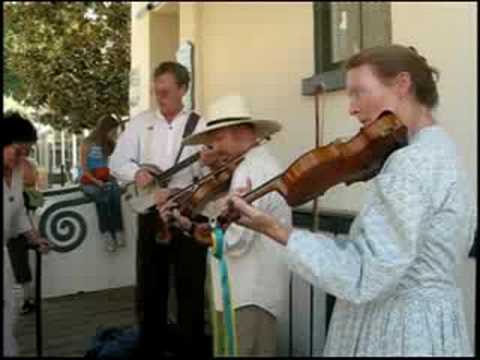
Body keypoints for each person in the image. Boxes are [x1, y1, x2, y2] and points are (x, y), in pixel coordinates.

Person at [224, 45, 477, 356]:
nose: (352, 108)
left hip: (397, 333)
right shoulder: (443, 149)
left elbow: (365, 274)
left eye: (359, 92)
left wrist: (277, 231)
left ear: (402, 84)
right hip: (433, 326)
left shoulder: (412, 163)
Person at [158, 95, 292, 356]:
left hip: (247, 293)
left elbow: (235, 239)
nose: (214, 148)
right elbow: (228, 221)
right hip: (249, 290)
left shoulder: (250, 171)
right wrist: (189, 221)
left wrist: (187, 226)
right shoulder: (255, 164)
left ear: (241, 133)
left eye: (218, 139)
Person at [109, 61, 208, 356]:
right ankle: (151, 346)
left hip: (189, 212)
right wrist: (137, 173)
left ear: (183, 89)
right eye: (156, 92)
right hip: (152, 212)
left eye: (165, 91)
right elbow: (117, 163)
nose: (159, 97)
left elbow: (208, 176)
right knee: (150, 285)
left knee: (190, 286)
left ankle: (190, 348)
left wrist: (195, 179)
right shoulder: (140, 123)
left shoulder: (201, 126)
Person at [3, 111, 50, 356]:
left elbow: (19, 212)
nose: (23, 157)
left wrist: (34, 237)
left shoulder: (18, 172)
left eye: (27, 151)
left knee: (7, 315)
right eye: (18, 149)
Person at [7, 144, 45, 315]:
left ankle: (27, 299)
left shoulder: (24, 165)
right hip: (20, 223)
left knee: (20, 263)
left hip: (19, 225)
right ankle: (27, 299)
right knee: (19, 263)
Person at [80, 115, 125, 252]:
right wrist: (96, 182)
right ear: (106, 129)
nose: (114, 134)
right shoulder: (87, 143)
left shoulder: (110, 144)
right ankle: (106, 234)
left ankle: (118, 230)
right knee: (101, 196)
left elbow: (115, 165)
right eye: (113, 131)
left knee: (115, 192)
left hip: (106, 177)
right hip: (89, 180)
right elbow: (84, 168)